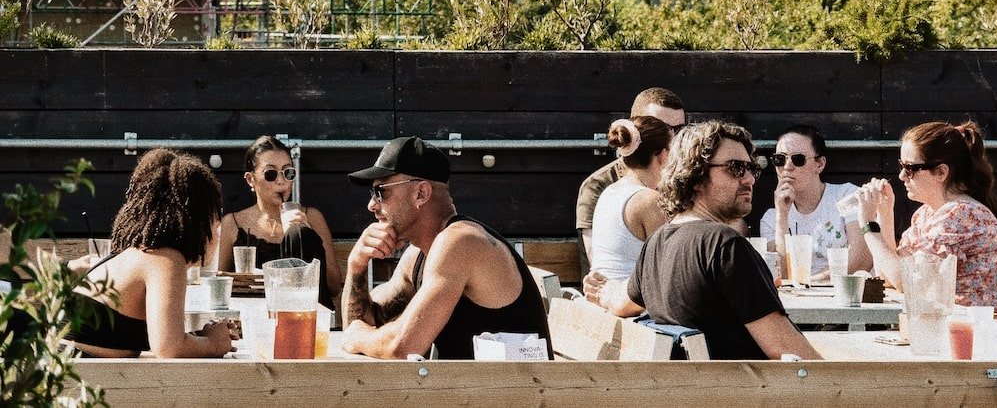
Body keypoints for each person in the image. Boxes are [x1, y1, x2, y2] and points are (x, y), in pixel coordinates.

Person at [620, 121, 821, 360]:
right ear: (694, 176)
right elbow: (792, 354)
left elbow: (625, 304)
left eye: (751, 169)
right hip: (747, 394)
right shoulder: (724, 245)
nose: (749, 180)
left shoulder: (656, 242)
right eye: (735, 168)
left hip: (699, 392)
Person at [342, 136, 551, 359]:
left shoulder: (461, 242)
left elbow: (401, 347)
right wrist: (356, 265)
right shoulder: (420, 253)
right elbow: (367, 322)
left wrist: (357, 337)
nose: (371, 205)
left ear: (421, 193)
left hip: (519, 392)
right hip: (481, 390)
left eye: (380, 192)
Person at [65, 148, 234, 358]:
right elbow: (168, 348)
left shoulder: (136, 254)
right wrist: (213, 344)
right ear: (198, 221)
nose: (217, 233)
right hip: (74, 380)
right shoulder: (165, 260)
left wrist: (199, 337)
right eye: (215, 222)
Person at [858, 121, 997, 310]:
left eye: (909, 168)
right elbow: (889, 277)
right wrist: (885, 212)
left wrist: (868, 224)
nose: (901, 176)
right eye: (901, 165)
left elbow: (905, 282)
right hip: (948, 326)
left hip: (976, 331)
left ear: (941, 172)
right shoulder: (926, 214)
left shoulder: (962, 214)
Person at [212, 136, 341, 309]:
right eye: (270, 174)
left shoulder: (312, 217)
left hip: (303, 315)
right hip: (254, 315)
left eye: (288, 172)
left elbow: (333, 287)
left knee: (299, 235)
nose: (281, 181)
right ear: (251, 179)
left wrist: (309, 239)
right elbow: (218, 283)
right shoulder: (233, 223)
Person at [576, 88, 686, 266]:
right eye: (662, 128)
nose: (673, 138)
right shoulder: (600, 185)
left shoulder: (688, 178)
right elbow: (598, 263)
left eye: (679, 129)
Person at [758, 125, 870, 283]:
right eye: (780, 159)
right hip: (798, 300)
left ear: (820, 164)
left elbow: (860, 260)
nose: (787, 167)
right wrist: (782, 215)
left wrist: (811, 282)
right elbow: (780, 274)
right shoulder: (771, 218)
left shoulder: (846, 195)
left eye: (798, 159)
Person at [584, 116, 673, 287]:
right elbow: (669, 269)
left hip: (606, 300)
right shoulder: (648, 200)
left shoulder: (609, 193)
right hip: (633, 307)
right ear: (663, 156)